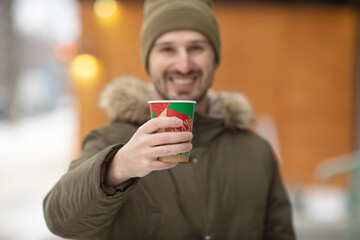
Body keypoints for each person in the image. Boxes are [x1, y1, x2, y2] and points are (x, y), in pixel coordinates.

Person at [43, 0, 295, 239]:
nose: (184, 65)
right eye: (167, 49)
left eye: (196, 48)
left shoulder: (256, 151)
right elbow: (59, 220)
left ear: (214, 57)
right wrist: (117, 168)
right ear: (148, 60)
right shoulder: (111, 141)